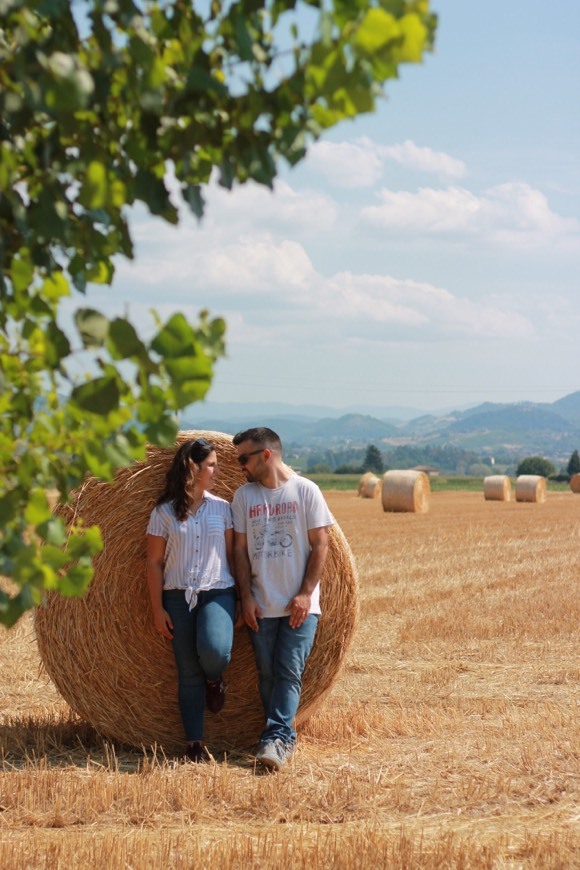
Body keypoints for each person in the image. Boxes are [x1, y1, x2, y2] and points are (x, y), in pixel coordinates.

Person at [231, 427, 334, 771]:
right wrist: (246, 597)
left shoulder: (306, 491)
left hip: (300, 605)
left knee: (289, 671)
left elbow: (321, 544)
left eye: (243, 458)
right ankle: (277, 735)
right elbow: (240, 550)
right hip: (261, 604)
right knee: (266, 675)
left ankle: (277, 740)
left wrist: (306, 594)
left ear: (265, 455)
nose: (239, 466)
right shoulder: (244, 497)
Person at [146, 438, 237, 763]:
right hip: (176, 596)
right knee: (187, 671)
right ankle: (194, 744)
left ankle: (216, 678)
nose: (216, 470)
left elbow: (232, 555)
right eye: (211, 464)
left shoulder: (222, 508)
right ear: (193, 468)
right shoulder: (164, 513)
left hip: (218, 591)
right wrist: (157, 608)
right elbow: (154, 562)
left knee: (214, 652)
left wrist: (243, 599)